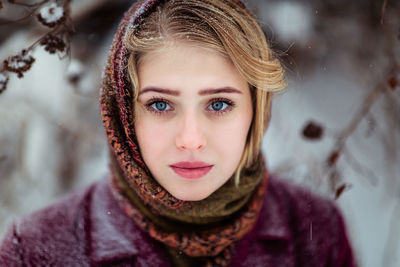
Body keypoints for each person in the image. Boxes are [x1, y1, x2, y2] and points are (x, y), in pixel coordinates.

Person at [0, 0, 356, 266]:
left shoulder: (314, 231)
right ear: (123, 113)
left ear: (257, 110)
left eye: (218, 104)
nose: (190, 139)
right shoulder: (34, 250)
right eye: (160, 105)